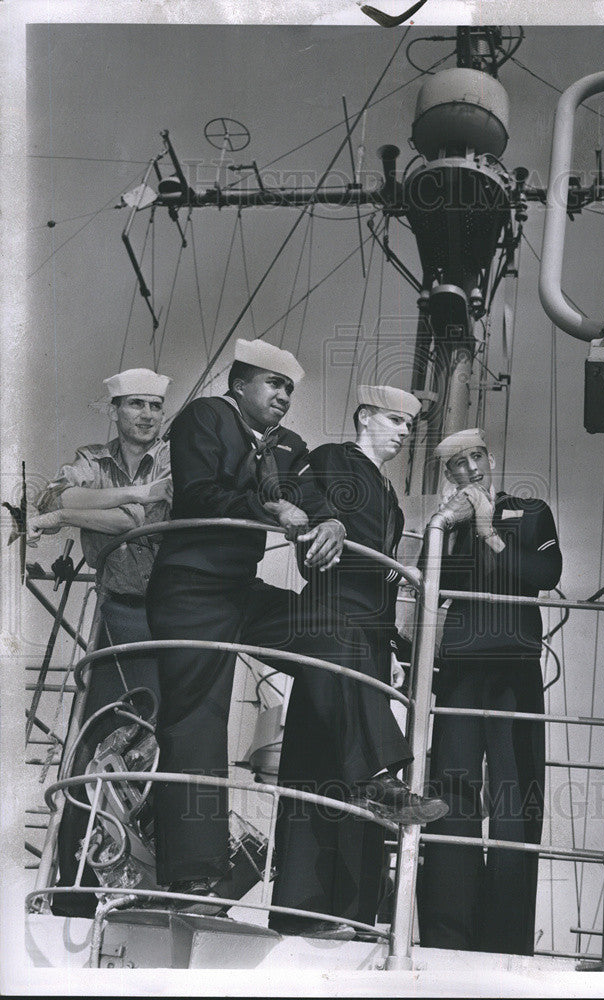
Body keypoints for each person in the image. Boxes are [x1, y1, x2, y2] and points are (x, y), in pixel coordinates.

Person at [146, 345, 443, 919]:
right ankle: (195, 879)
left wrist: (328, 517)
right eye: (273, 385)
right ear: (239, 384)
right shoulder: (205, 418)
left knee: (333, 632)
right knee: (196, 722)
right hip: (189, 587)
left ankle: (374, 779)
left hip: (239, 590)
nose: (283, 398)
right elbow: (201, 493)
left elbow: (310, 496)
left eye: (289, 389)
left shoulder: (288, 446)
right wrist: (272, 509)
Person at [270, 384, 448, 940]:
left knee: (338, 751)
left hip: (369, 633)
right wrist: (337, 527)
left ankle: (352, 910)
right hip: (330, 617)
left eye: (408, 425)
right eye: (394, 420)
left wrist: (396, 638)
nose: (402, 432)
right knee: (320, 755)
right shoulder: (331, 459)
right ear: (365, 416)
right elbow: (300, 494)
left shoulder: (390, 496)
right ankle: (302, 906)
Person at [28, 367, 173, 917]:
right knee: (98, 738)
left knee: (154, 740)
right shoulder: (92, 457)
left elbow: (146, 518)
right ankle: (79, 884)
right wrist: (122, 499)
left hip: (167, 614)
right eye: (135, 405)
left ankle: (145, 874)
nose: (145, 415)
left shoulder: (174, 459)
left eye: (154, 406)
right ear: (115, 410)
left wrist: (78, 513)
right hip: (120, 611)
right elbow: (54, 496)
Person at [417, 428, 562, 956]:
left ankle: (505, 938)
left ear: (491, 458)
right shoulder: (445, 525)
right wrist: (444, 528)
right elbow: (421, 583)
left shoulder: (530, 510)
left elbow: (545, 573)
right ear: (448, 475)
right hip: (458, 665)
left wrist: (488, 531)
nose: (469, 470)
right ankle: (445, 933)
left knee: (514, 796)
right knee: (450, 794)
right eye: (457, 464)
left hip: (511, 666)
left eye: (475, 457)